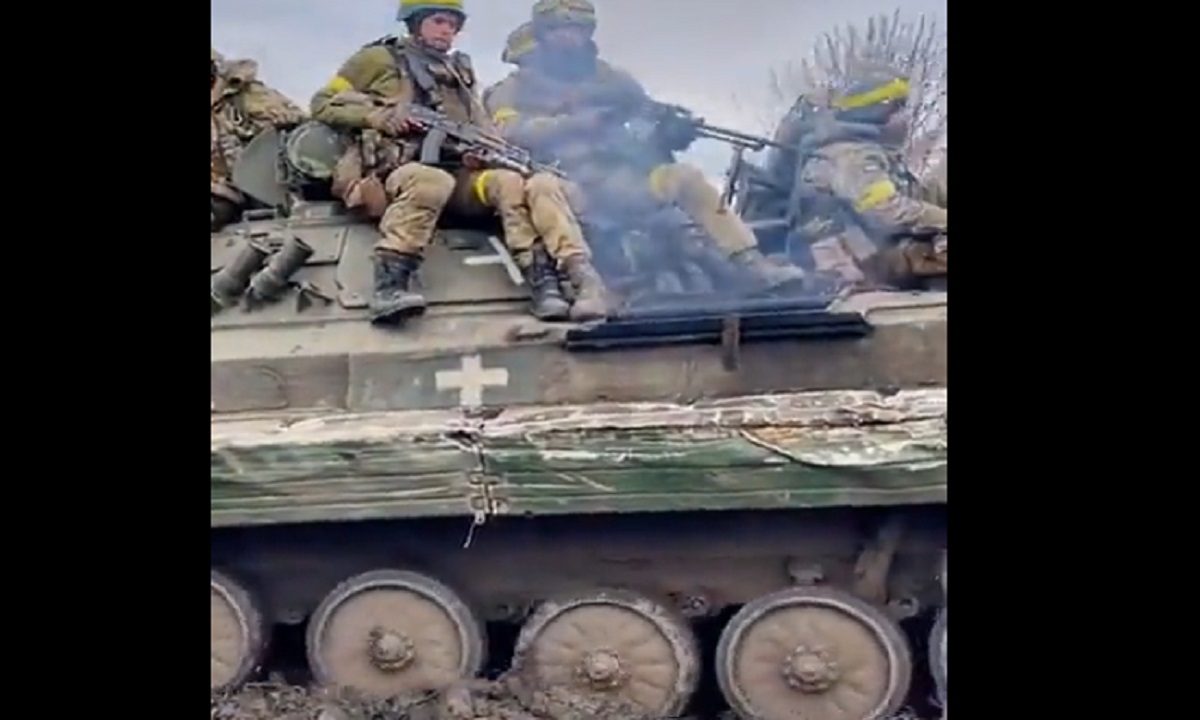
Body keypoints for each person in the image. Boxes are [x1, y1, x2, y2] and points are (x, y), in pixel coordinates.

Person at [309, 0, 606, 325]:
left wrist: (482, 152)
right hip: (393, 172)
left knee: (509, 183)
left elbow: (480, 127)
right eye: (438, 21)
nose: (446, 31)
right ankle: (390, 285)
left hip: (457, 173)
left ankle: (543, 283)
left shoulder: (457, 71)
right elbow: (322, 104)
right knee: (430, 180)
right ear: (415, 22)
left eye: (453, 25)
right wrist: (377, 117)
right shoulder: (377, 59)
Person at [481, 0, 807, 290]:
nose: (570, 37)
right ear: (543, 34)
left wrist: (673, 129)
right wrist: (574, 124)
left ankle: (750, 262)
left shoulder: (612, 79)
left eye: (578, 29)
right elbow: (505, 132)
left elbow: (646, 123)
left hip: (622, 183)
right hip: (564, 188)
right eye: (559, 30)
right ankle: (585, 282)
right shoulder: (512, 88)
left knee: (686, 177)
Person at [793, 67, 947, 289]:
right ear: (877, 112)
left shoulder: (868, 151)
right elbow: (886, 210)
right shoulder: (851, 155)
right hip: (859, 261)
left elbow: (915, 197)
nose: (906, 117)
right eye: (899, 108)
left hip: (877, 252)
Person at [211, 48, 306, 230]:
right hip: (223, 191)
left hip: (263, 184)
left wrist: (283, 121)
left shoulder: (247, 96)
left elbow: (297, 122)